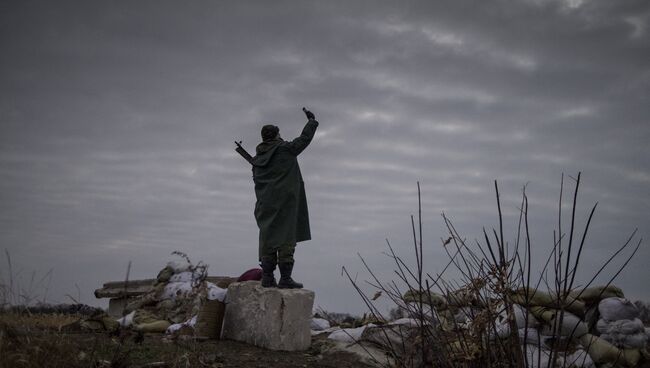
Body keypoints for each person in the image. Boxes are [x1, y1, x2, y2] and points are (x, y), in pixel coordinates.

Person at [251, 108, 319, 289]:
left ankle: (267, 277)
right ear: (276, 135)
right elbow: (303, 140)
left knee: (267, 239)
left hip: (265, 205)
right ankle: (285, 278)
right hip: (285, 203)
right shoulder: (285, 149)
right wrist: (311, 121)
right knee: (286, 239)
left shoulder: (257, 160)